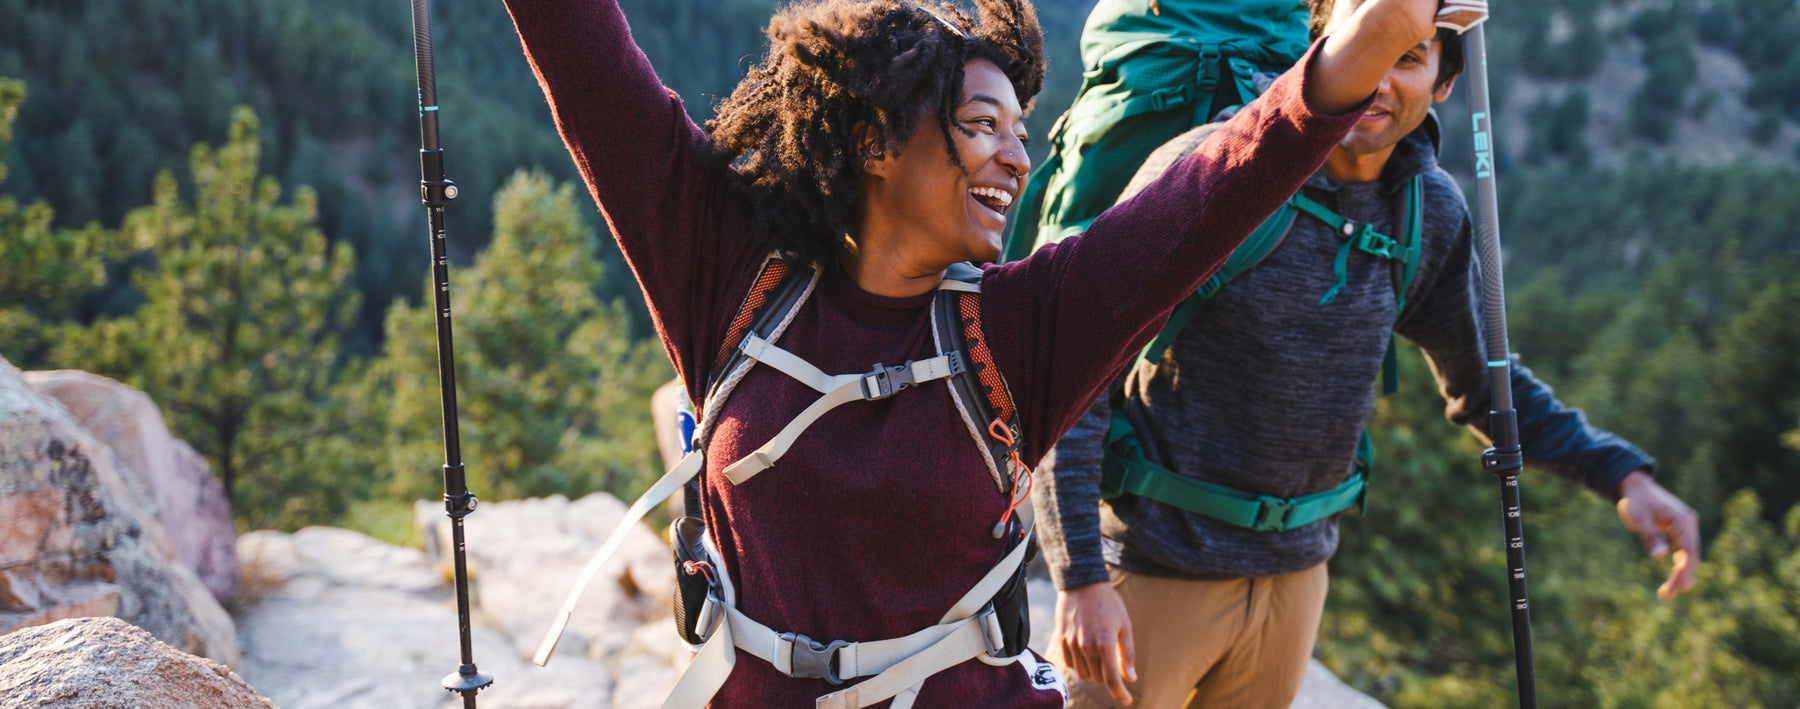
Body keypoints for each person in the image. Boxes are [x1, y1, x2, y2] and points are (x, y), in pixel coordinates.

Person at [501, 0, 1460, 705]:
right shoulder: (728, 279)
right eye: (981, 125)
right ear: (878, 138)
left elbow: (1228, 177)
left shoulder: (1024, 327)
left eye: (1021, 130)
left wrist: (1371, 37)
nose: (1017, 156)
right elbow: (584, 60)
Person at [1031, 1, 1701, 707]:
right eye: (1363, 48)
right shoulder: (1219, 168)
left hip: (1295, 585)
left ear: (1443, 82)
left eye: (1408, 58)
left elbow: (1486, 386)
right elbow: (1080, 363)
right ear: (1320, 50)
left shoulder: (1426, 214)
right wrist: (1078, 575)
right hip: (1148, 572)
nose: (1379, 78)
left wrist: (1623, 473)